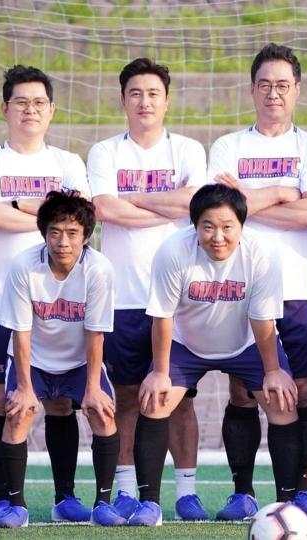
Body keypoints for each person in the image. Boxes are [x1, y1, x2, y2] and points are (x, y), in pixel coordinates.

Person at [207, 43, 307, 519]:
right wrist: (282, 191)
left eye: (283, 85)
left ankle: (298, 491)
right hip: (239, 284)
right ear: (251, 89)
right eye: (265, 85)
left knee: (298, 392)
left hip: (300, 287)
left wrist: (247, 199)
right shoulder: (228, 145)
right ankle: (242, 491)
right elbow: (221, 213)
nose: (273, 93)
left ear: (297, 90)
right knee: (244, 389)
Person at [128, 184, 301, 527]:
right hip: (187, 344)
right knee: (155, 399)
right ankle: (149, 504)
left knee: (282, 401)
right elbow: (162, 316)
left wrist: (272, 371)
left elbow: (262, 319)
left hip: (246, 342)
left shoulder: (262, 254)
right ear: (194, 227)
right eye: (208, 226)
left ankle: (284, 501)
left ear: (241, 225)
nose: (217, 236)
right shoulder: (172, 252)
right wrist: (160, 371)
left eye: (227, 227)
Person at [87, 57, 209, 521]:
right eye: (135, 93)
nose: (144, 101)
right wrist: (167, 207)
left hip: (178, 299)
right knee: (125, 397)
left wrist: (129, 199)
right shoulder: (104, 152)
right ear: (123, 99)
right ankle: (124, 492)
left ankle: (185, 492)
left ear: (166, 100)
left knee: (176, 399)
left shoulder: (188, 149)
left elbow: (194, 204)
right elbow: (103, 208)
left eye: (153, 93)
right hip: (122, 297)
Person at [0, 64, 92, 525]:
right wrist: (44, 214)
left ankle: (64, 498)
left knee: (60, 400)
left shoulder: (67, 163)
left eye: (39, 102)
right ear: (4, 108)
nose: (30, 110)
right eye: (21, 101)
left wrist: (15, 207)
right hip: (0, 302)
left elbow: (82, 218)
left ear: (52, 110)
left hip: (59, 305)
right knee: (3, 402)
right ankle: (5, 498)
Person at [0, 191, 121, 528]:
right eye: (55, 232)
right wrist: (23, 387)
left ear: (86, 236)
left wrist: (92, 388)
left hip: (79, 360)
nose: (63, 241)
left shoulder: (99, 269)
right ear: (44, 233)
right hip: (33, 358)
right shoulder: (23, 267)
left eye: (72, 233)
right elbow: (20, 332)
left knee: (101, 411)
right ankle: (15, 506)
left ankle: (100, 504)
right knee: (18, 414)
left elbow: (96, 333)